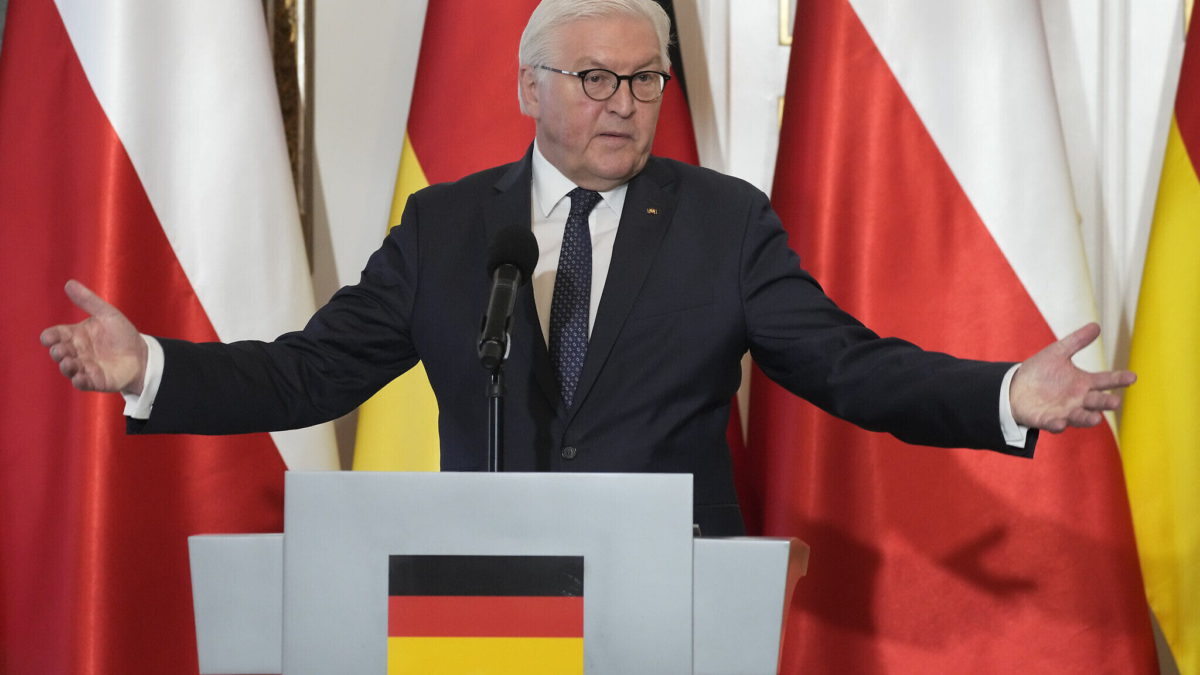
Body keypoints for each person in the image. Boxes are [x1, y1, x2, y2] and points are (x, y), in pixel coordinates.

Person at [40, 0, 1134, 536]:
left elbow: (848, 367)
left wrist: (1002, 392)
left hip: (675, 592)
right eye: (596, 78)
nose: (624, 102)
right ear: (528, 89)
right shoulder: (445, 229)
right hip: (480, 596)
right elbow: (309, 377)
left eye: (646, 80)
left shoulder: (723, 223)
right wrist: (152, 369)